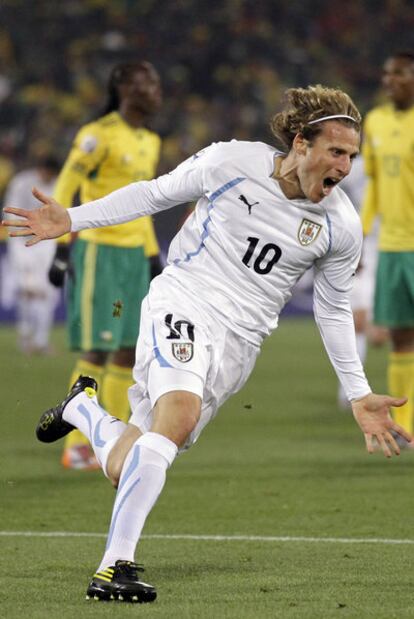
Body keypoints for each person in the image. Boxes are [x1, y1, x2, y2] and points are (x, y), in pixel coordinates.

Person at [3, 85, 412, 604]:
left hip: (240, 344)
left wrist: (358, 393)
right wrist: (73, 220)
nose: (345, 167)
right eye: (336, 151)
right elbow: (153, 193)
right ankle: (113, 568)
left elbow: (331, 310)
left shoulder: (340, 224)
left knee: (137, 461)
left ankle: (83, 410)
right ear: (301, 143)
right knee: (178, 417)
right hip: (184, 299)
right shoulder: (230, 161)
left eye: (352, 156)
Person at [48, 61, 163, 469]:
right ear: (125, 88)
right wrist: (62, 247)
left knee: (128, 353)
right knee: (97, 348)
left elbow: (146, 206)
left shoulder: (150, 140)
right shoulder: (98, 135)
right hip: (101, 253)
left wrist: (152, 255)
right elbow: (65, 186)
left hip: (134, 257)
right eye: (147, 82)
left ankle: (107, 441)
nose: (156, 90)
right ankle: (75, 445)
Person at [360, 50, 414, 437]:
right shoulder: (375, 121)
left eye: (398, 74)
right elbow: (374, 183)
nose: (389, 80)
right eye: (386, 73)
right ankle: (406, 423)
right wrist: (360, 235)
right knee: (399, 336)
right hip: (392, 245)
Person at [337, 155, 388, 408]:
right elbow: (335, 197)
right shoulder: (355, 169)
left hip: (398, 245)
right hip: (364, 244)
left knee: (380, 336)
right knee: (358, 321)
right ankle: (351, 392)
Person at [3, 156, 60, 354]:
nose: (47, 176)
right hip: (22, 241)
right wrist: (19, 249)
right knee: (28, 290)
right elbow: (11, 214)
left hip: (47, 243)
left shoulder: (58, 186)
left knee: (49, 292)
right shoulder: (22, 182)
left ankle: (41, 340)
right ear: (40, 168)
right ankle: (25, 333)